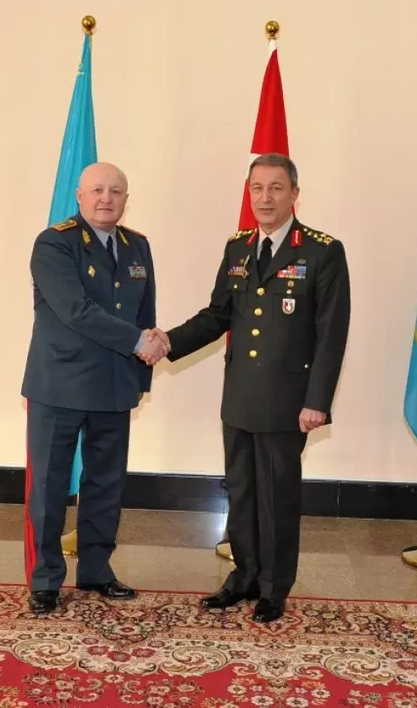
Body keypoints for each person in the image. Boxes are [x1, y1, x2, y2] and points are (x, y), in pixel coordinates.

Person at [156, 153, 351, 624]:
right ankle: (243, 575)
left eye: (276, 188)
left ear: (294, 194)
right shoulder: (238, 248)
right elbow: (218, 315)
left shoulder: (322, 251)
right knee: (241, 492)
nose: (266, 198)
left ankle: (273, 587)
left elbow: (331, 334)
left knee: (277, 496)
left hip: (288, 402)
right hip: (240, 396)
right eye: (257, 188)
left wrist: (316, 402)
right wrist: (168, 341)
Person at [21, 161, 168, 615]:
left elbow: (144, 313)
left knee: (106, 483)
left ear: (126, 199)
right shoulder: (54, 243)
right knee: (50, 485)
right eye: (98, 190)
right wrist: (139, 342)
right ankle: (46, 579)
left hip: (114, 384)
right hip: (59, 385)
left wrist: (141, 371)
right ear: (80, 196)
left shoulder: (137, 245)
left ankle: (97, 570)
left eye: (116, 191)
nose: (107, 199)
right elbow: (76, 310)